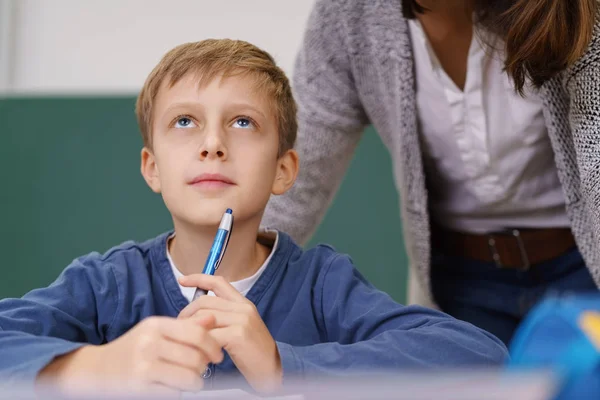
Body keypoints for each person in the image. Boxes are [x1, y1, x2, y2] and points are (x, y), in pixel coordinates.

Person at [0, 39, 507, 397]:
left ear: (284, 170)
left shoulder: (321, 285)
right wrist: (95, 366)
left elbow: (479, 357)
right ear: (152, 168)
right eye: (184, 122)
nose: (213, 144)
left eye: (243, 122)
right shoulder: (107, 285)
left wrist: (283, 366)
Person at [261, 0, 600, 346]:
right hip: (461, 283)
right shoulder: (349, 14)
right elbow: (292, 184)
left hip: (583, 268)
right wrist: (215, 291)